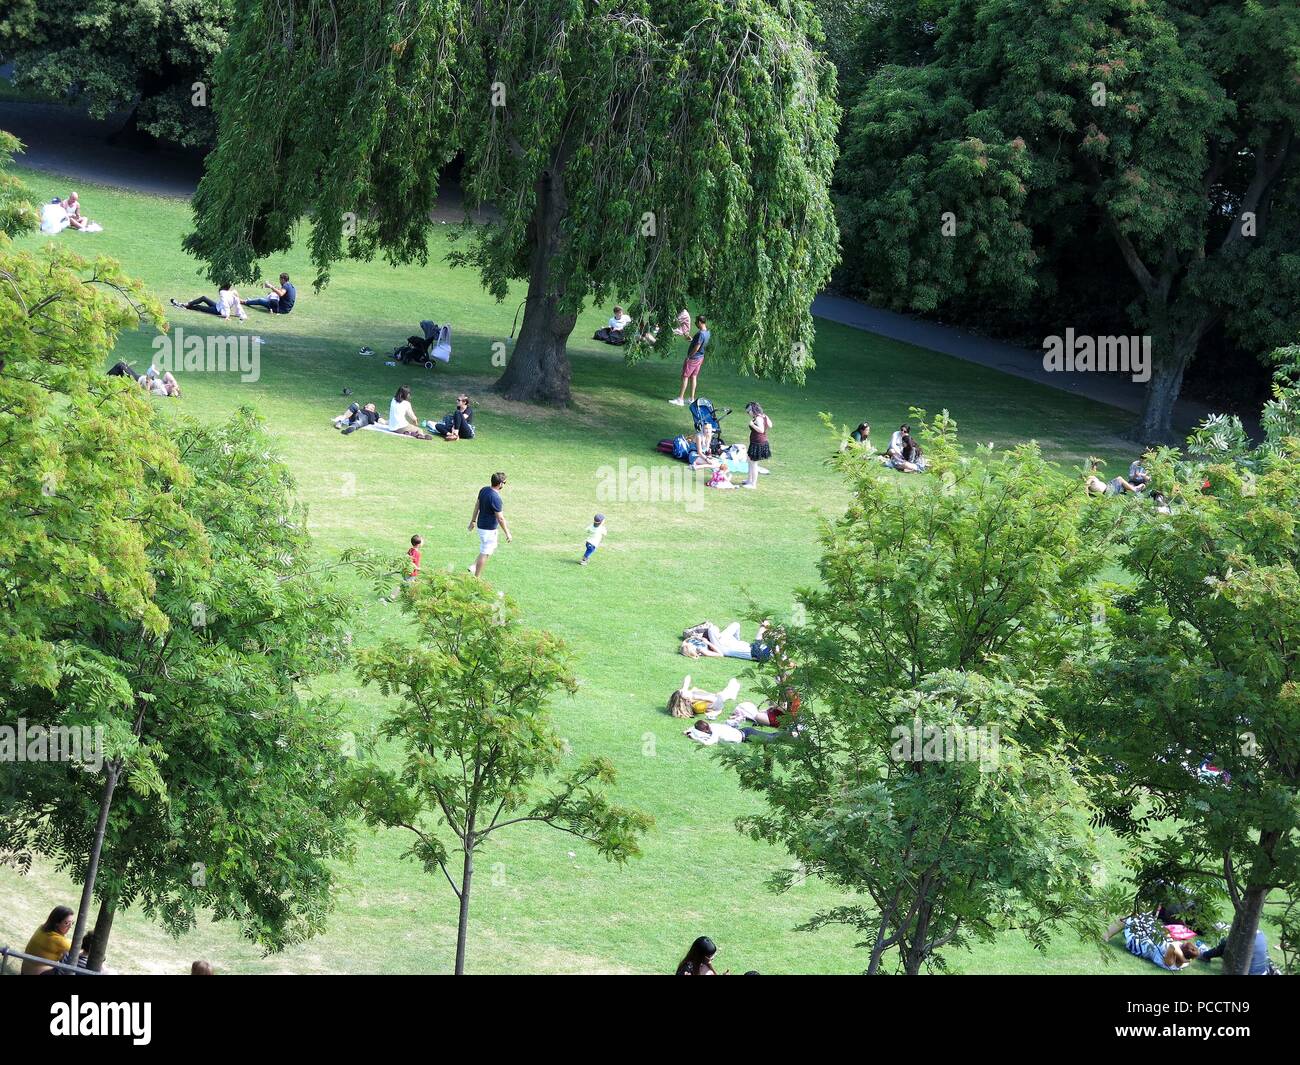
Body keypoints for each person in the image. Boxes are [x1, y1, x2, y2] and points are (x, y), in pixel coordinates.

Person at [1106, 914, 1202, 970]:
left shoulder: (1170, 962)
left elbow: (1173, 945)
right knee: (1146, 916)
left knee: (1130, 916)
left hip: (1137, 944)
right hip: (1149, 939)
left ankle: (1105, 936)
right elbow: (1172, 943)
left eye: (1181, 945)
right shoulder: (1181, 962)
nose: (1179, 942)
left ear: (1179, 952)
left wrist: (1182, 956)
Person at [468, 472, 511, 578]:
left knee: (487, 548)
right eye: (504, 483)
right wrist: (507, 533)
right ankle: (476, 578)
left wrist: (473, 521)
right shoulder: (495, 498)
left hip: (482, 526)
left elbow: (477, 505)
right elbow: (500, 518)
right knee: (485, 552)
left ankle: (473, 566)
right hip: (488, 530)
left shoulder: (484, 490)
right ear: (500, 484)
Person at [21, 906, 74, 975]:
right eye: (66, 923)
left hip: (25, 971)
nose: (70, 926)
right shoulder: (59, 941)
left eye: (72, 923)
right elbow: (78, 951)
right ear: (56, 923)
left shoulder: (42, 928)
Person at [670, 316, 710, 405]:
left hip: (694, 358)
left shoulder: (701, 334)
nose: (695, 323)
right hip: (700, 357)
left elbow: (697, 347)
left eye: (696, 321)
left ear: (700, 322)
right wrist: (692, 340)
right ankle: (692, 399)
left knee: (685, 376)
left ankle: (680, 399)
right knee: (693, 376)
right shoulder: (707, 332)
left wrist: (689, 356)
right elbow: (700, 343)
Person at [1200, 929, 1275, 975]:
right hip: (1263, 971)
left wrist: (1205, 955)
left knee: (1224, 946)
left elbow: (1223, 945)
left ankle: (1205, 956)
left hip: (1247, 972)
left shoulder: (1243, 936)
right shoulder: (1261, 934)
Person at [170, 282, 247, 320]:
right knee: (204, 298)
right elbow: (238, 307)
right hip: (217, 306)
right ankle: (186, 304)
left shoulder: (223, 293)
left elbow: (226, 305)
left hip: (218, 311)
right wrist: (242, 315)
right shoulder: (233, 294)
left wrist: (227, 316)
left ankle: (184, 306)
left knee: (198, 307)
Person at [743, 402, 771, 489]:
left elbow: (761, 430)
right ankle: (749, 480)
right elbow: (770, 425)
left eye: (748, 411)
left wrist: (752, 425)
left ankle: (753, 484)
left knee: (754, 463)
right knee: (749, 461)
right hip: (758, 442)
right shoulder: (764, 416)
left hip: (758, 443)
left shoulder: (758, 418)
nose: (748, 413)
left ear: (753, 410)